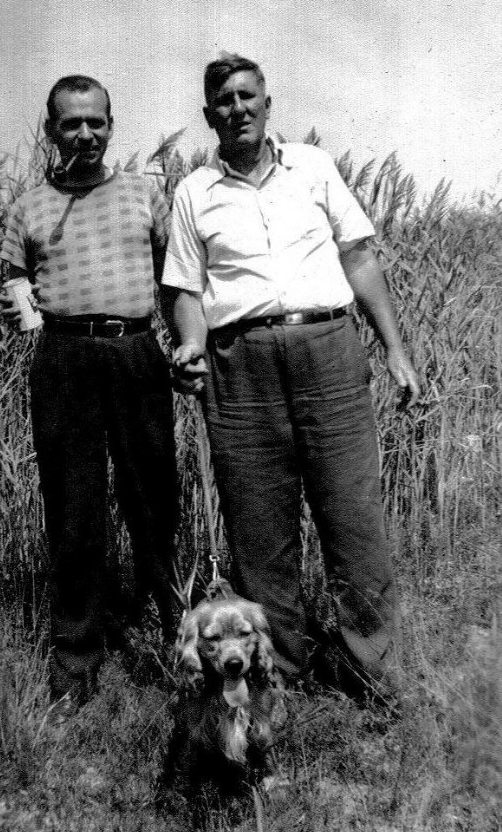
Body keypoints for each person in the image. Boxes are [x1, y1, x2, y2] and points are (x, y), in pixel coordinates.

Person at [162, 54, 420, 692]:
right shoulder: (194, 192)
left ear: (267, 104)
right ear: (209, 116)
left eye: (247, 96)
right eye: (224, 101)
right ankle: (282, 673)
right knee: (259, 529)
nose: (238, 109)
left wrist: (394, 348)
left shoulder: (313, 166)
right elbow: (185, 289)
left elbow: (358, 258)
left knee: (353, 517)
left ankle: (372, 670)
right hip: (239, 365)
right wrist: (191, 344)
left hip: (328, 349)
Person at [0, 75, 178, 706]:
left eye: (95, 122)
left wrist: (188, 347)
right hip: (64, 359)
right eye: (71, 123)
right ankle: (76, 656)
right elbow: (15, 283)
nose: (84, 134)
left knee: (153, 497)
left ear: (110, 125)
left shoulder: (144, 194)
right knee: (73, 507)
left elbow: (176, 281)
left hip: (136, 351)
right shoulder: (27, 207)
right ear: (51, 129)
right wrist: (18, 307)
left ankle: (178, 632)